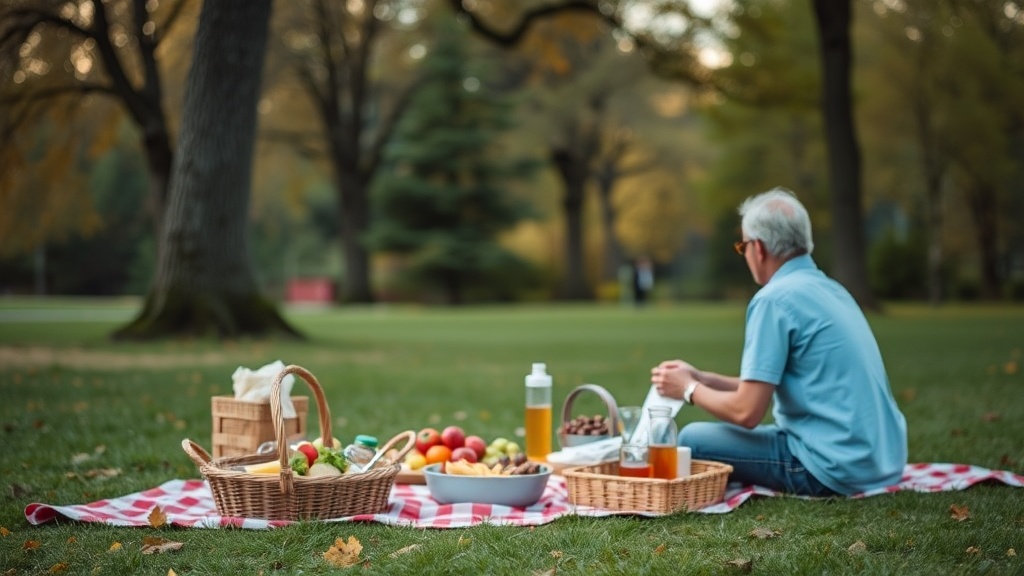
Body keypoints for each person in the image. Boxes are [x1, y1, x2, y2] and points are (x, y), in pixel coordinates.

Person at [649, 187, 907, 496]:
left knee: (694, 439)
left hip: (829, 467)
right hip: (881, 462)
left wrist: (688, 389)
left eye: (742, 246)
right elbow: (766, 385)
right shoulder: (832, 289)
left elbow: (747, 412)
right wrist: (703, 378)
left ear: (758, 248)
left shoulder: (773, 300)